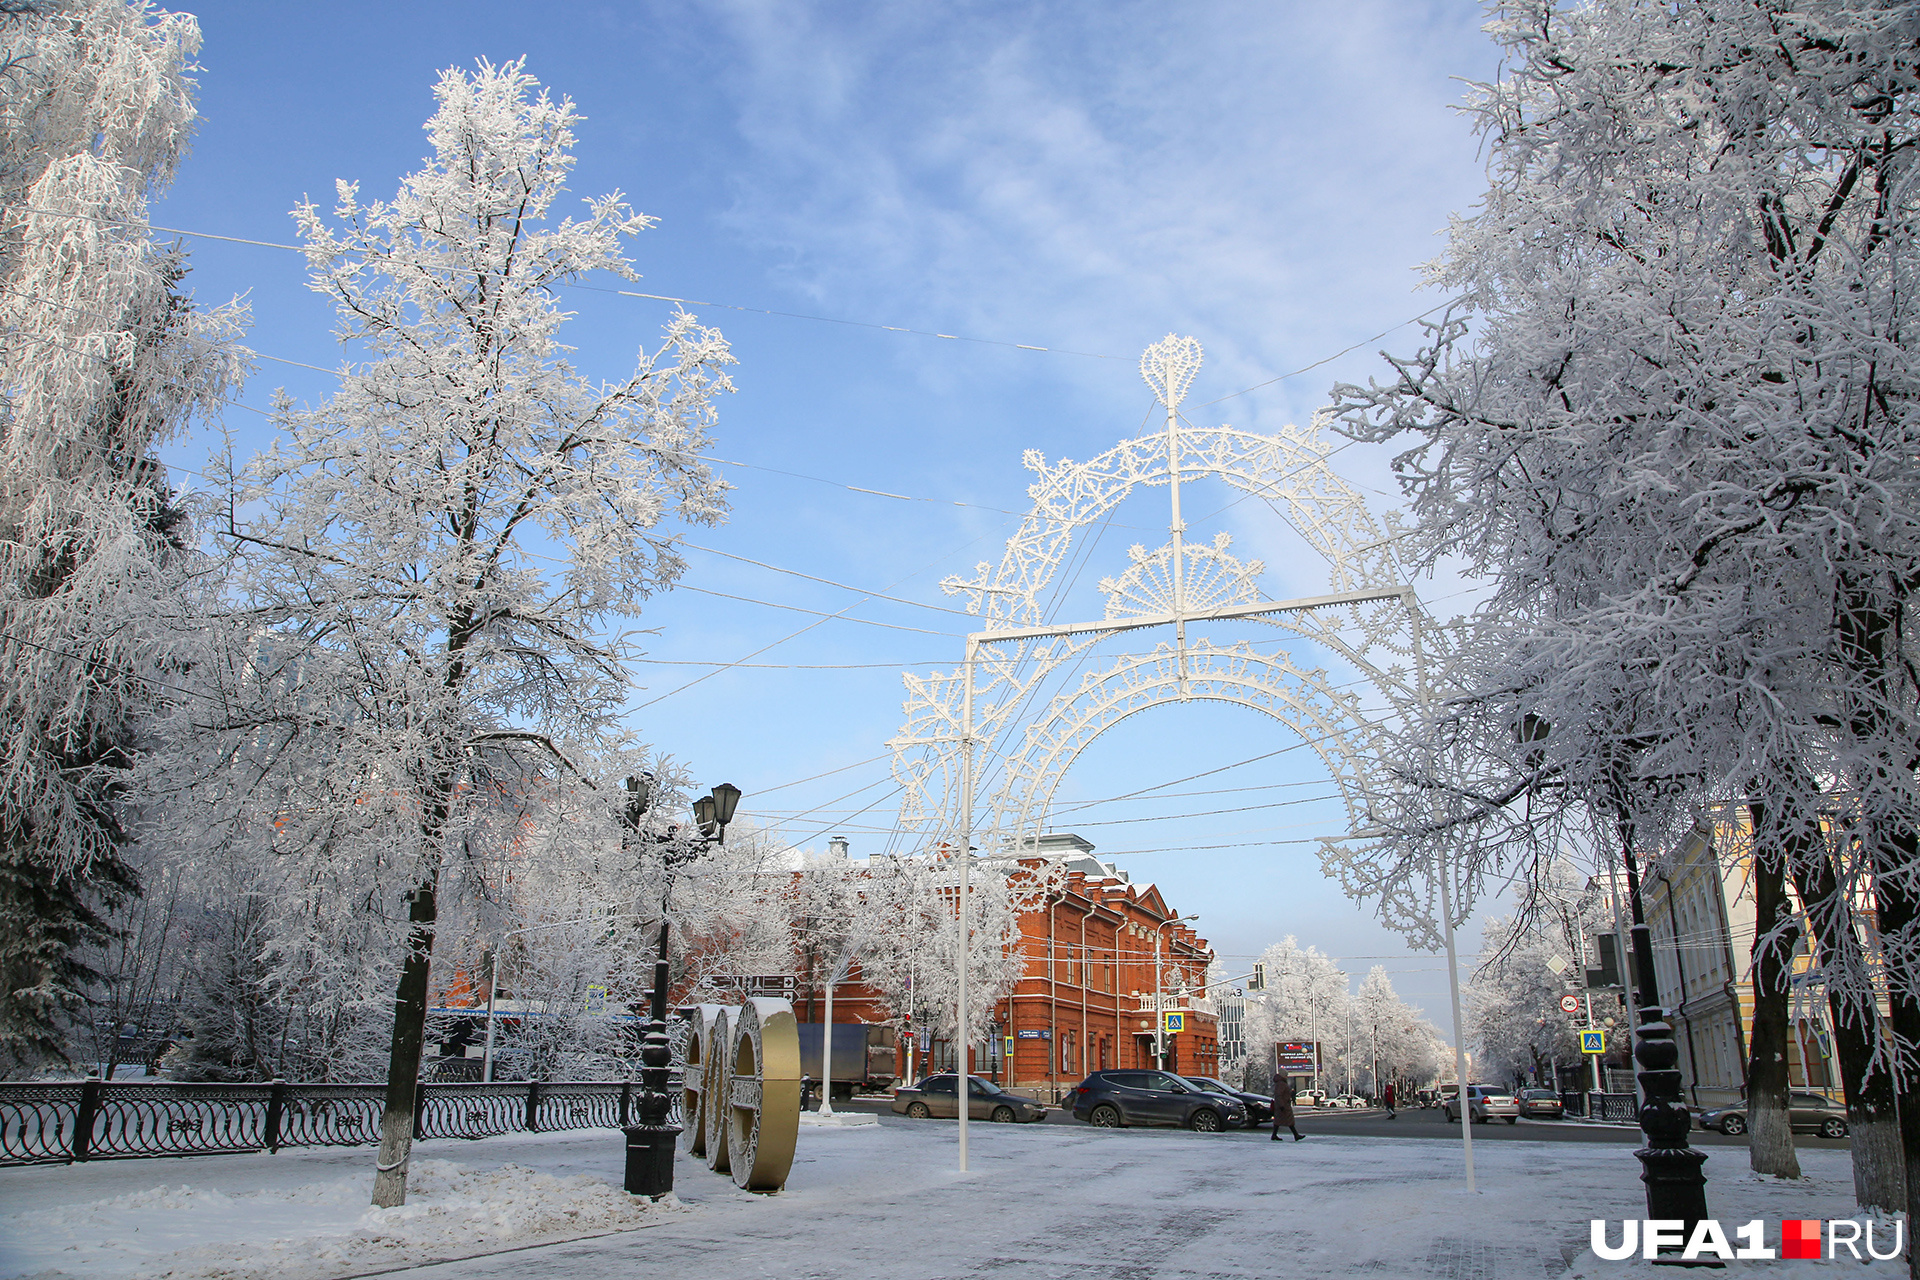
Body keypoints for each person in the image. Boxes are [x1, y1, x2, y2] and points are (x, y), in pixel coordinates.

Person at [1270, 1077, 1304, 1142]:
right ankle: (1296, 1135)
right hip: (1283, 1105)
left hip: (1282, 1105)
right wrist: (1282, 1105)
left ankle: (1274, 1135)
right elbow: (1279, 1095)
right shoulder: (1281, 1084)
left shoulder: (1280, 1083)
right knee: (1288, 1120)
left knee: (1279, 1120)